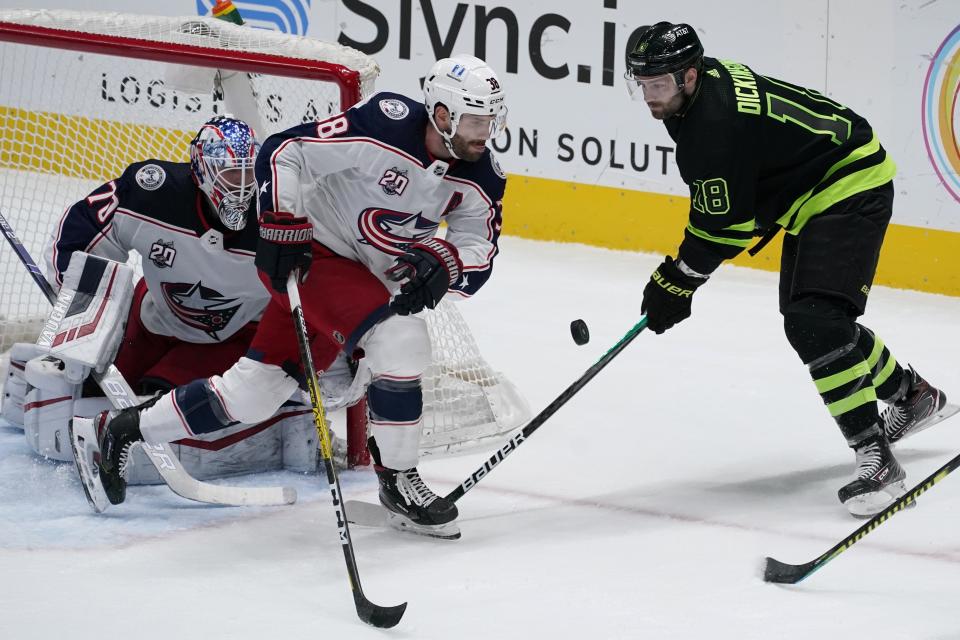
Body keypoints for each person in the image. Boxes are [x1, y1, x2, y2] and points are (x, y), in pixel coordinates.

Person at [90, 54, 508, 539]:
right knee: (401, 341)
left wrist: (448, 259)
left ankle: (124, 427)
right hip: (315, 259)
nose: (486, 132)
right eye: (477, 120)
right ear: (442, 114)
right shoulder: (384, 124)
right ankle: (398, 482)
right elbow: (285, 149)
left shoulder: (482, 175)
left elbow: (480, 245)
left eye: (492, 120)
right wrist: (281, 223)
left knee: (252, 394)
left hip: (365, 285)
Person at [624, 22, 951, 517]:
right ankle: (913, 396)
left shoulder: (709, 125)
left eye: (659, 85)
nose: (650, 96)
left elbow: (726, 227)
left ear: (689, 76)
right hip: (819, 186)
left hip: (848, 183)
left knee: (814, 321)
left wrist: (679, 280)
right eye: (641, 84)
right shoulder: (701, 93)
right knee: (820, 324)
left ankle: (876, 456)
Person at [3, 115, 325, 479]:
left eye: (248, 174)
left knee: (161, 405)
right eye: (230, 175)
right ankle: (33, 375)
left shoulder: (280, 215)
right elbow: (79, 237)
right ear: (201, 170)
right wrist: (80, 312)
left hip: (231, 338)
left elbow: (321, 283)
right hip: (151, 320)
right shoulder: (152, 192)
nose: (241, 187)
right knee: (87, 382)